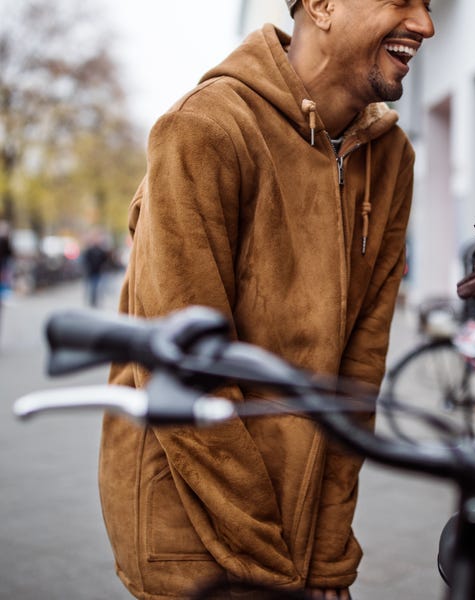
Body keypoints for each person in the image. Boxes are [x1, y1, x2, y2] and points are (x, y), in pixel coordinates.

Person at [99, 1, 434, 599]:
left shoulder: (391, 159)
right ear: (323, 6)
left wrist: (327, 555)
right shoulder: (204, 129)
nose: (424, 25)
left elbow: (358, 378)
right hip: (193, 535)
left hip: (301, 541)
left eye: (429, 5)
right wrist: (271, 569)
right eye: (401, 0)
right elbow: (185, 379)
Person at [81, 230, 111, 307]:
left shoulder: (100, 250)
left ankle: (94, 300)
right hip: (91, 271)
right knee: (92, 287)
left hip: (98, 272)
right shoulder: (89, 250)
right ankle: (92, 300)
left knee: (96, 287)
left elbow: (105, 259)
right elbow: (85, 259)